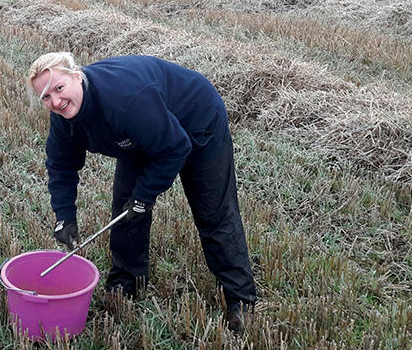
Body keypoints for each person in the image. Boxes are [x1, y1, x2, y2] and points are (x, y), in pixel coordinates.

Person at [26, 52, 257, 331]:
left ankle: (240, 301)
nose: (56, 102)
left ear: (77, 76)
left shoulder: (123, 100)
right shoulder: (64, 119)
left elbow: (176, 147)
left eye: (59, 88)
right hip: (140, 134)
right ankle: (125, 284)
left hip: (195, 120)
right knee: (126, 210)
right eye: (46, 98)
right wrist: (64, 216)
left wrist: (145, 195)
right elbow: (61, 166)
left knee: (213, 214)